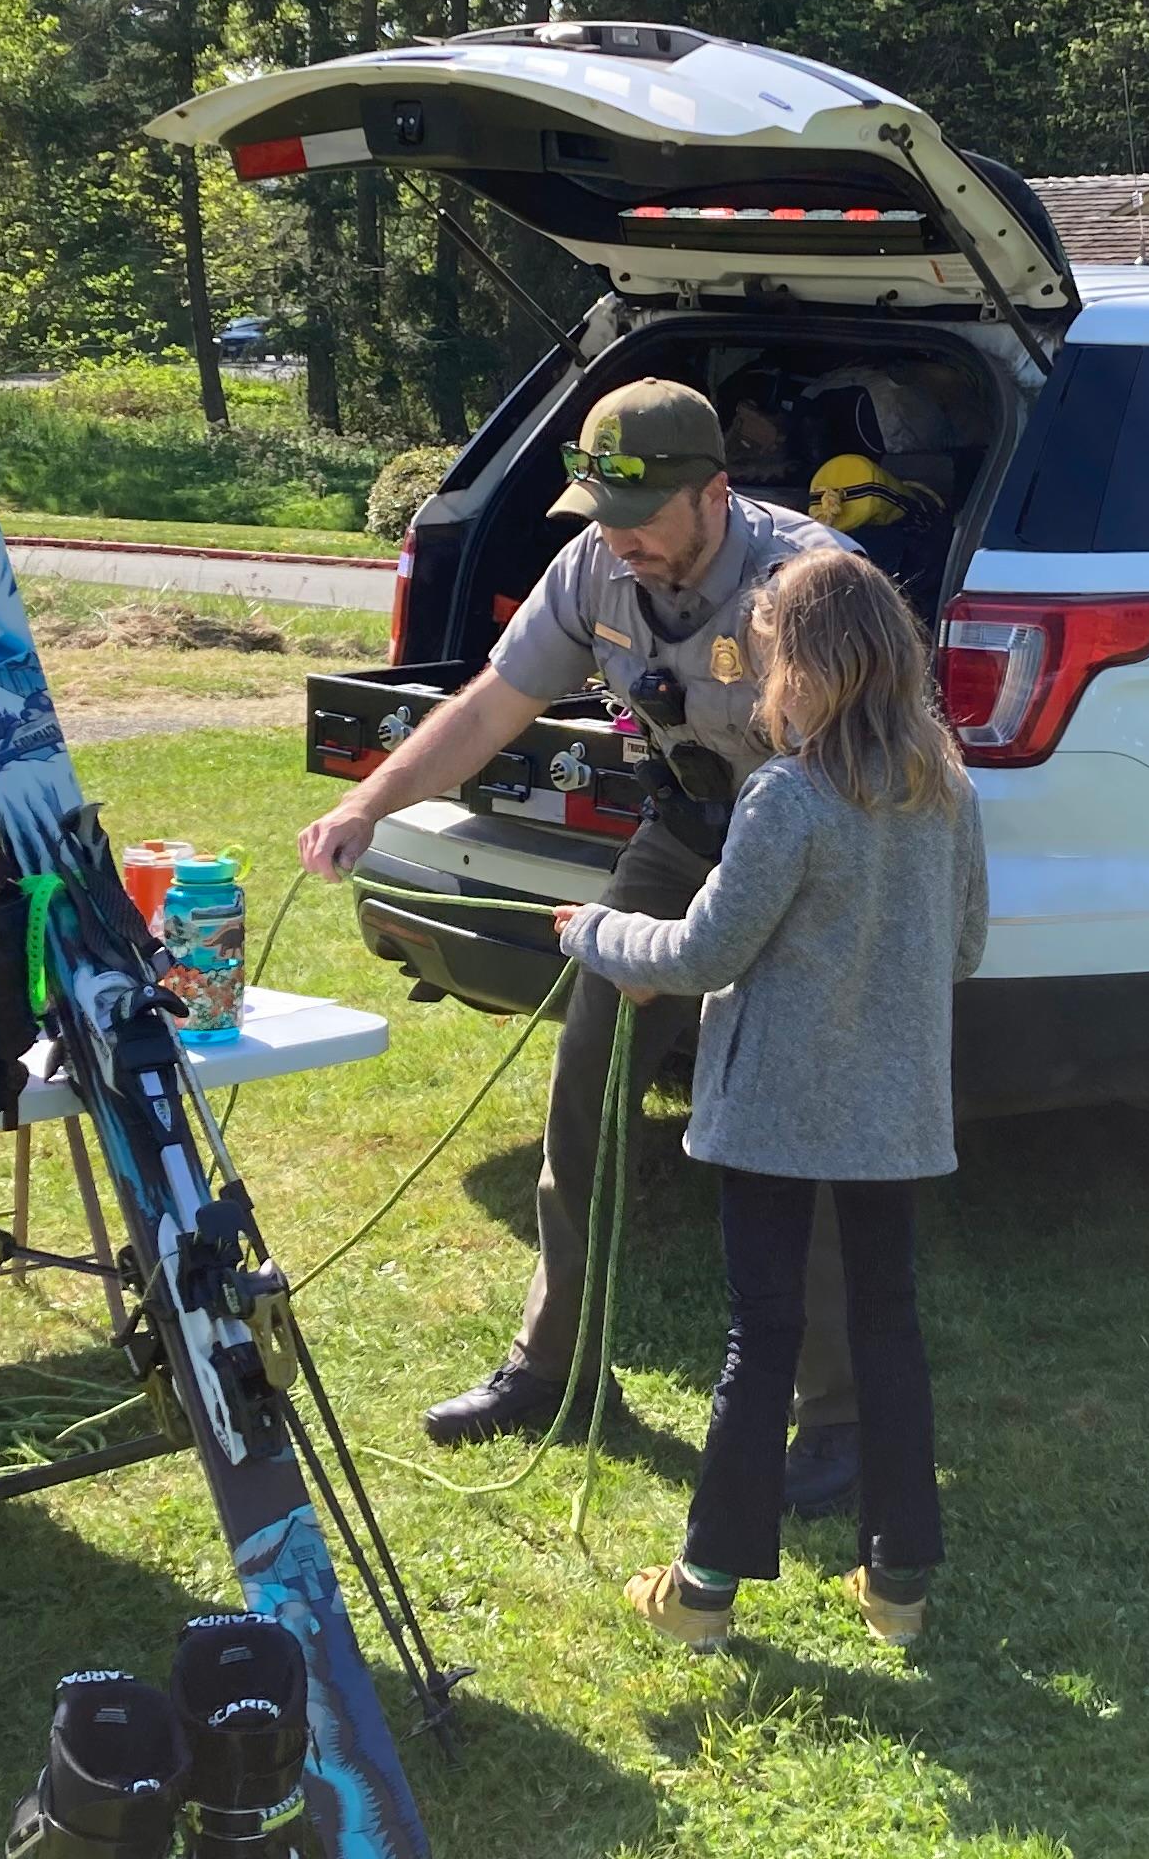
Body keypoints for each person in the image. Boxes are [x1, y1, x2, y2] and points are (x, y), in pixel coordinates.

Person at [296, 378, 875, 1506]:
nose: (620, 541)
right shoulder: (597, 564)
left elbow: (877, 777)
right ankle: (549, 1369)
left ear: (716, 493)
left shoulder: (810, 584)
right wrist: (369, 805)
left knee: (783, 1125)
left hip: (809, 855)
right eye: (601, 515)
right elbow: (486, 709)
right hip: (686, 829)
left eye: (643, 517)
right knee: (586, 1091)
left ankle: (843, 1419)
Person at [560, 547, 983, 1654]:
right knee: (888, 1325)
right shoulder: (944, 784)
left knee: (765, 1334)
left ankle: (702, 1589)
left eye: (770, 661)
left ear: (807, 669)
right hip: (895, 1112)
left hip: (776, 1113)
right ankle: (898, 1583)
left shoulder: (785, 799)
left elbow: (701, 951)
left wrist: (594, 932)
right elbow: (967, 945)